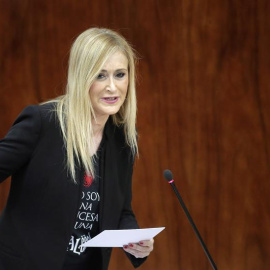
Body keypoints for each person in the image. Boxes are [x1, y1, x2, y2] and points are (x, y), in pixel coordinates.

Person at [0, 27, 154, 270]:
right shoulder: (43, 123)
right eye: (100, 75)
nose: (112, 87)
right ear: (82, 77)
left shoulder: (122, 140)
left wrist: (136, 239)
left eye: (120, 74)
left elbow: (122, 209)